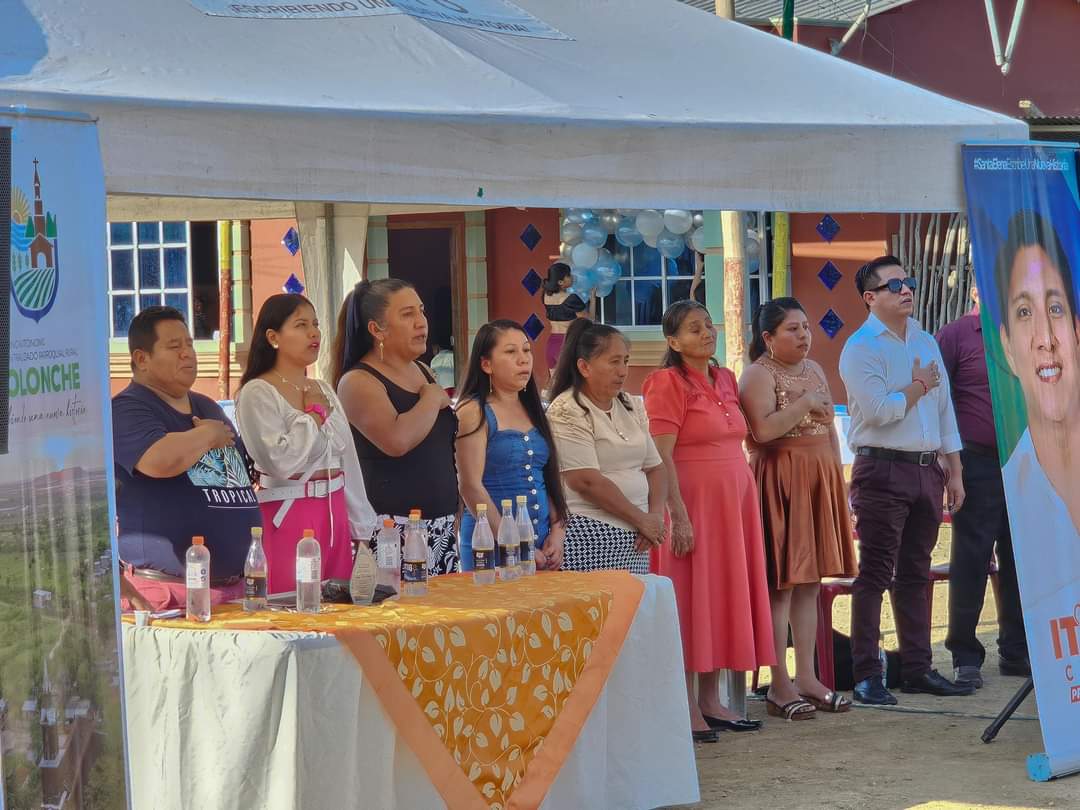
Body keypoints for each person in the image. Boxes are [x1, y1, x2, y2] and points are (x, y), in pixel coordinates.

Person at [839, 255, 973, 705]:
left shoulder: (925, 340)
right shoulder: (861, 347)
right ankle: (866, 675)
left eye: (908, 281)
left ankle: (917, 668)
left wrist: (954, 471)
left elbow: (944, 411)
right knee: (876, 572)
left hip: (926, 469)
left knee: (916, 571)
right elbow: (879, 411)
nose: (906, 290)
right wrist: (917, 386)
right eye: (893, 285)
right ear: (870, 297)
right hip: (881, 468)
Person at [643, 301, 771, 743]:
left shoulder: (726, 378)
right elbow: (661, 455)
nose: (706, 333)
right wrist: (677, 514)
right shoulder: (665, 382)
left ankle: (713, 699)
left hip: (733, 505)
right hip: (692, 503)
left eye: (708, 325)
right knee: (689, 596)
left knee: (720, 593)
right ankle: (685, 703)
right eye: (694, 329)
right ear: (673, 341)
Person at [738, 297, 858, 719]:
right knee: (782, 585)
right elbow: (761, 432)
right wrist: (803, 404)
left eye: (805, 327)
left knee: (810, 583)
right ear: (768, 337)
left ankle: (808, 676)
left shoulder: (815, 369)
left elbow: (830, 431)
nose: (804, 335)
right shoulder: (757, 374)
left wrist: (838, 484)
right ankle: (779, 683)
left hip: (818, 477)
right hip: (780, 479)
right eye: (792, 328)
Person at [112, 306, 261, 611]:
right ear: (141, 359)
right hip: (168, 591)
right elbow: (158, 459)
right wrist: (208, 435)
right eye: (174, 346)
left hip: (236, 588)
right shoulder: (128, 408)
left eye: (190, 344)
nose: (187, 353)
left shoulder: (207, 406)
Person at [235, 294, 377, 592]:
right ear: (273, 337)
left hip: (334, 516)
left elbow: (346, 460)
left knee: (338, 607)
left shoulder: (322, 388)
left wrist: (360, 526)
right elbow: (279, 460)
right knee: (292, 603)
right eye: (301, 325)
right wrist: (314, 415)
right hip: (288, 515)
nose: (313, 333)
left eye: (315, 324)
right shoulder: (257, 392)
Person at [936, 284, 1028, 687]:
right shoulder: (955, 336)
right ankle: (965, 654)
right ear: (975, 290)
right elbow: (937, 399)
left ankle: (1017, 650)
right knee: (972, 558)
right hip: (975, 461)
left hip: (1025, 460)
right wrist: (948, 461)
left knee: (1021, 559)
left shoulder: (1028, 330)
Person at [335, 279, 460, 574]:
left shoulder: (423, 370)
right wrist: (431, 398)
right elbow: (396, 440)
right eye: (407, 314)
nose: (421, 322)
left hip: (440, 527)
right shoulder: (357, 381)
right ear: (377, 329)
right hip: (391, 529)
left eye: (421, 311)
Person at [994, 211, 1080, 614]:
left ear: (1077, 331)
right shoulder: (1014, 488)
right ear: (1008, 347)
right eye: (1024, 312)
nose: (1045, 339)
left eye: (1056, 308)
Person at [546, 319, 667, 575]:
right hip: (591, 534)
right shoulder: (567, 409)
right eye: (614, 362)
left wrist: (655, 517)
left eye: (625, 361)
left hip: (638, 537)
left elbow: (656, 468)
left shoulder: (630, 404)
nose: (623, 371)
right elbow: (585, 481)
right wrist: (640, 519)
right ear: (584, 367)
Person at [455, 320, 568, 571]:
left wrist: (557, 531)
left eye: (526, 350)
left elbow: (548, 477)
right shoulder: (473, 411)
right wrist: (513, 543)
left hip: (541, 545)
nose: (523, 359)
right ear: (486, 364)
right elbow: (470, 486)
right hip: (489, 543)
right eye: (510, 352)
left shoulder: (535, 410)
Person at [542, 262, 587, 374]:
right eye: (568, 275)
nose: (572, 277)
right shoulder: (571, 298)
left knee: (554, 382)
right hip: (567, 343)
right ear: (560, 282)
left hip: (551, 344)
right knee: (572, 382)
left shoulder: (545, 296)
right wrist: (593, 297)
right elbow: (587, 320)